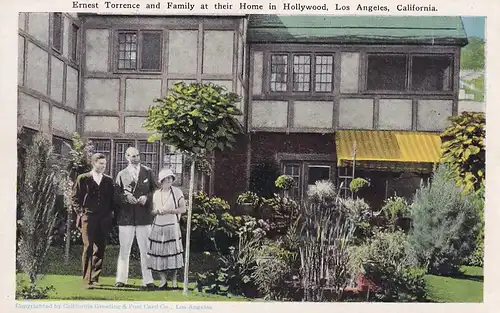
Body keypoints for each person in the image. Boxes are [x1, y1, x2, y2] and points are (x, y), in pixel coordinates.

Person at [114, 147, 157, 290]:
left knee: (146, 250)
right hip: (126, 218)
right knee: (124, 249)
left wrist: (147, 197)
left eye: (138, 155)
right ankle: (121, 279)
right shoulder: (121, 174)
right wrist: (126, 197)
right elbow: (116, 195)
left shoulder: (148, 172)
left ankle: (148, 280)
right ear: (127, 157)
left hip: (144, 217)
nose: (136, 158)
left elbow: (155, 191)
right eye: (132, 156)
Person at [72, 153, 116, 289]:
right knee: (88, 246)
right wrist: (82, 213)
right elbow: (75, 198)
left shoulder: (108, 180)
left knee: (100, 247)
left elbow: (112, 200)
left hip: (103, 219)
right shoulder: (83, 178)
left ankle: (95, 277)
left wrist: (110, 215)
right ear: (93, 163)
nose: (103, 166)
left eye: (105, 164)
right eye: (100, 163)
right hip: (88, 218)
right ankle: (86, 279)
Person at [147, 168, 186, 290]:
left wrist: (170, 211)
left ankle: (174, 281)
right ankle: (163, 280)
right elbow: (152, 211)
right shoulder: (156, 194)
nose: (169, 180)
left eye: (171, 178)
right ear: (162, 180)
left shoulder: (177, 192)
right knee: (159, 254)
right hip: (158, 227)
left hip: (172, 226)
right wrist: (157, 211)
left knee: (173, 254)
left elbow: (183, 209)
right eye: (167, 178)